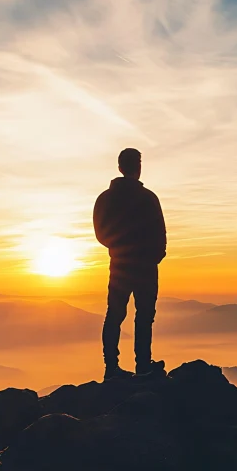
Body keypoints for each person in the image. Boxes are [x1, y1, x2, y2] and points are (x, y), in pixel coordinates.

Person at [93, 148, 167, 380]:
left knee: (115, 314)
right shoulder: (148, 198)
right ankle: (143, 366)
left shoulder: (105, 198)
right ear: (138, 167)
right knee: (144, 316)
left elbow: (101, 233)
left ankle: (111, 368)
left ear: (119, 167)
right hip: (146, 267)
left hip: (120, 265)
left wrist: (118, 249)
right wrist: (153, 255)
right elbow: (160, 233)